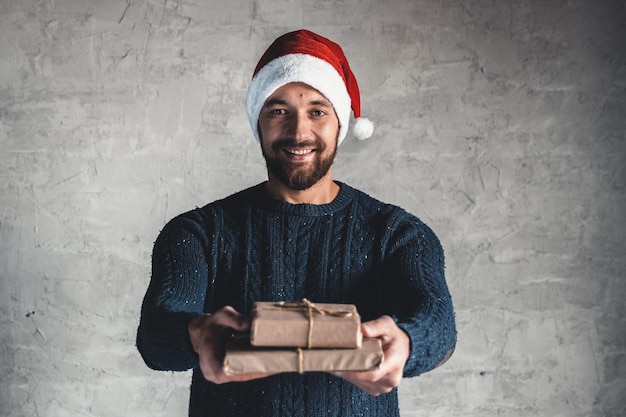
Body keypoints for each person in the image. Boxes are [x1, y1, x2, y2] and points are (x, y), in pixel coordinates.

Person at [137, 29, 456, 417]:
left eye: (317, 111)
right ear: (259, 122)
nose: (299, 131)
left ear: (341, 122)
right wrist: (197, 333)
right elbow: (155, 333)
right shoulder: (198, 233)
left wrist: (407, 341)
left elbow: (438, 320)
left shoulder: (397, 234)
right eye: (278, 110)